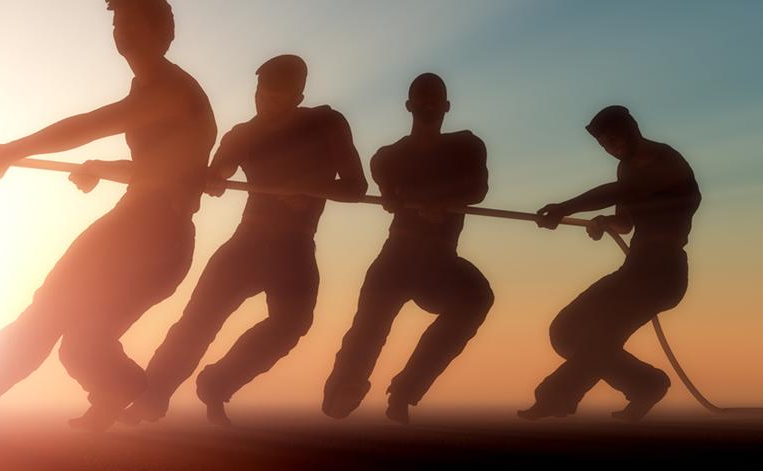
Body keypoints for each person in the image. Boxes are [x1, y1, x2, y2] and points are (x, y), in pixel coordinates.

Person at [0, 0, 216, 433]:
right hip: (143, 228)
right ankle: (123, 390)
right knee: (78, 341)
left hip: (153, 235)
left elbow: (92, 124)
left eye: (134, 22)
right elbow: (165, 166)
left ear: (164, 33)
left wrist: (10, 152)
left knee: (53, 320)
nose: (122, 30)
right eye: (117, 21)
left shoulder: (171, 90)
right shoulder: (148, 89)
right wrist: (104, 168)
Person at [122, 55, 366, 426]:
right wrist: (215, 178)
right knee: (198, 322)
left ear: (298, 98)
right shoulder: (243, 134)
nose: (265, 105)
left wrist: (312, 189)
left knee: (292, 325)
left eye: (277, 100)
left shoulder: (327, 124)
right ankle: (151, 397)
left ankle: (217, 385)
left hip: (295, 248)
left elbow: (355, 187)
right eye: (261, 95)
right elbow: (218, 172)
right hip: (246, 244)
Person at [321, 72, 494, 425]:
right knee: (369, 326)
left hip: (440, 258)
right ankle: (343, 390)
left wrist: (440, 200)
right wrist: (410, 198)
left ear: (447, 106)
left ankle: (405, 391)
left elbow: (477, 188)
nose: (428, 103)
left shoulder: (467, 146)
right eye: (421, 97)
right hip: (398, 254)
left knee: (477, 299)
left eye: (435, 98)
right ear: (409, 106)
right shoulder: (388, 157)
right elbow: (389, 186)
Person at [521, 106, 699, 421]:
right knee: (566, 330)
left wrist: (566, 207)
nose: (610, 146)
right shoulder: (627, 169)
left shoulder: (666, 161)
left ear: (632, 128)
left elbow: (624, 191)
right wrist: (605, 222)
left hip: (663, 272)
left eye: (614, 137)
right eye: (604, 143)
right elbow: (624, 221)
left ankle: (555, 398)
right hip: (636, 269)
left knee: (602, 335)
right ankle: (646, 384)